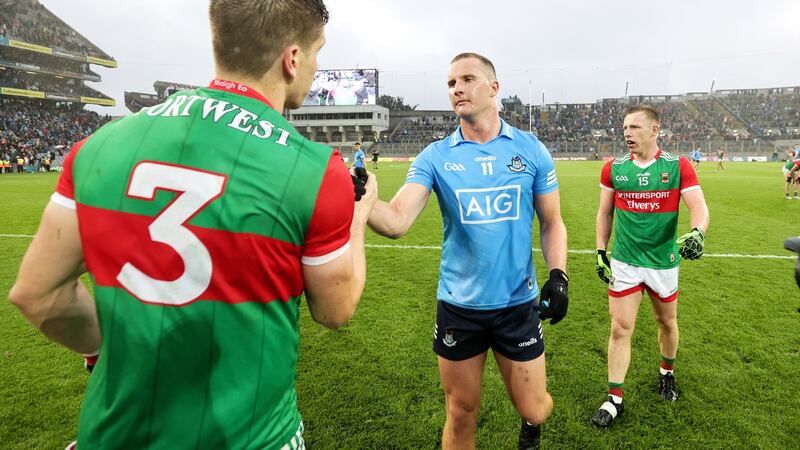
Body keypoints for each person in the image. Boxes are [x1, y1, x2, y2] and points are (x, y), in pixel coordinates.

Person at [9, 1, 378, 448]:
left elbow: (37, 293)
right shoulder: (316, 169)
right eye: (317, 51)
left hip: (114, 435)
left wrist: (106, 352)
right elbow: (335, 311)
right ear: (293, 58)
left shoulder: (98, 145)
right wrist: (360, 216)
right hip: (251, 438)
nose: (316, 66)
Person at [367, 52, 569, 450]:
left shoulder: (531, 150)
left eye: (467, 79)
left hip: (517, 305)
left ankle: (531, 424)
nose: (457, 88)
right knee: (460, 413)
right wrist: (363, 199)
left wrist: (559, 276)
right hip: (460, 308)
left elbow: (551, 222)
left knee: (536, 408)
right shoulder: (436, 156)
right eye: (450, 83)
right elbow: (396, 220)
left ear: (494, 89)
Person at [592, 105, 710, 427]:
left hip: (662, 262)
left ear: (655, 130)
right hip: (626, 262)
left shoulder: (677, 167)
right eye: (625, 128)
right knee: (619, 328)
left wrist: (698, 231)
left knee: (667, 323)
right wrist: (601, 250)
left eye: (635, 127)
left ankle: (666, 373)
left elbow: (698, 207)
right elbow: (605, 213)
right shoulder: (613, 169)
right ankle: (615, 398)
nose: (627, 133)